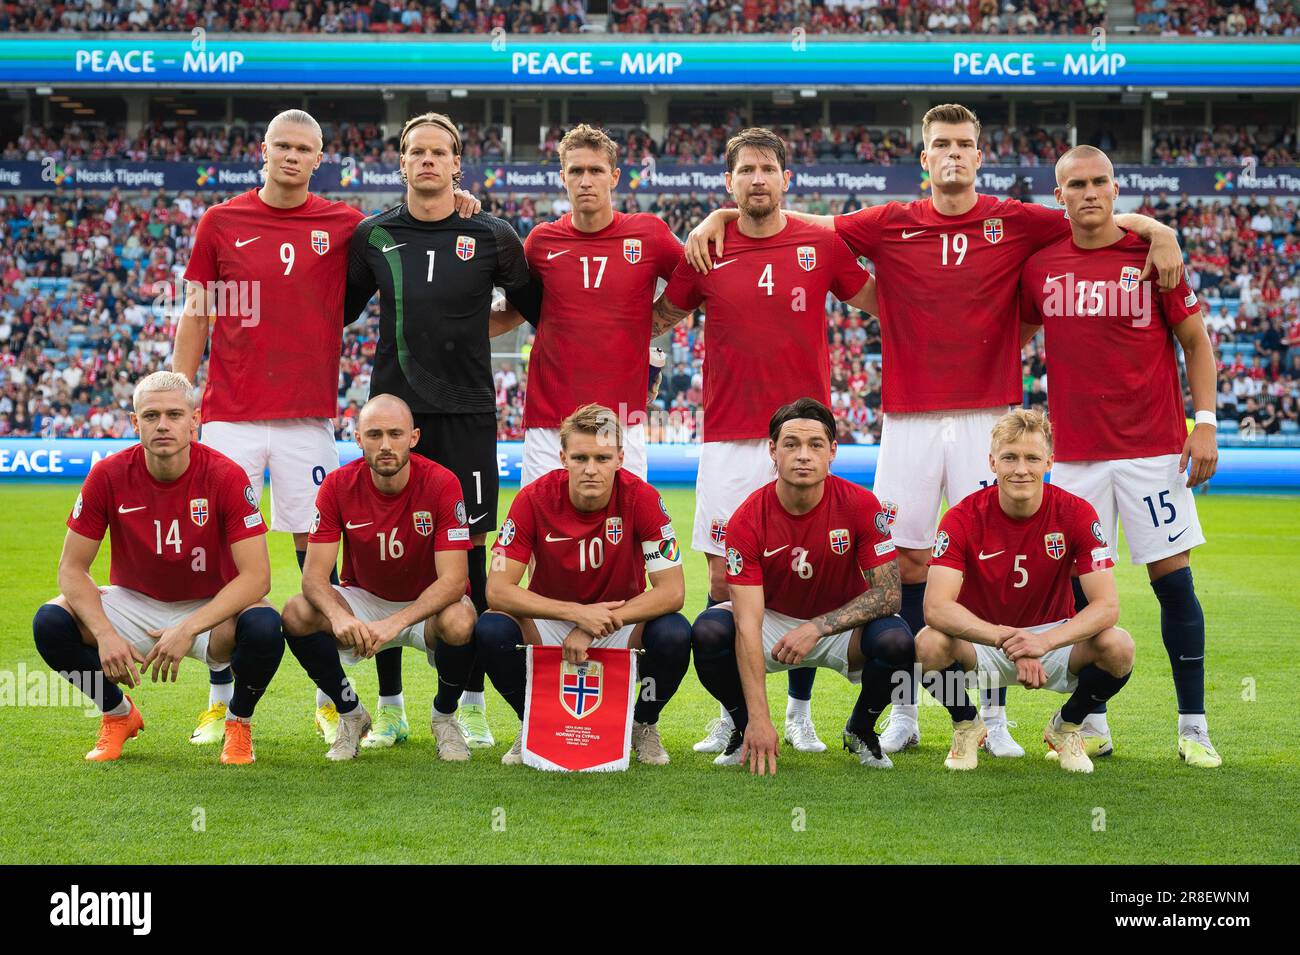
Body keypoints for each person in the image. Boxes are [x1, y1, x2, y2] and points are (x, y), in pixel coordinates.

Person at [686, 102, 1182, 758]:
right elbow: (796, 224)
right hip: (909, 418)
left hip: (987, 415)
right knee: (910, 560)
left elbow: (1090, 214)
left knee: (992, 563)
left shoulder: (1015, 219)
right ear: (924, 159)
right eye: (941, 143)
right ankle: (907, 710)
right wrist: (722, 214)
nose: (953, 153)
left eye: (964, 143)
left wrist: (1158, 230)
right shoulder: (890, 221)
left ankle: (995, 717)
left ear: (980, 156)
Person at [651, 127, 877, 755]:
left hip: (802, 438)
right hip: (727, 437)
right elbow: (661, 319)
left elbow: (879, 301)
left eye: (767, 169)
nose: (756, 179)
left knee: (805, 582)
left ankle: (799, 712)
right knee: (725, 585)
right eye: (745, 170)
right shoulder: (706, 252)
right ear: (730, 183)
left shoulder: (819, 242)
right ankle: (733, 713)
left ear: (786, 179)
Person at [344, 112, 542, 749]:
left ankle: (467, 702)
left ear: (459, 164)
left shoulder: (491, 234)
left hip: (467, 417)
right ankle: (393, 707)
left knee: (472, 557)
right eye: (416, 152)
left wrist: (474, 333)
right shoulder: (371, 236)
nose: (427, 162)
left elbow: (535, 308)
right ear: (401, 163)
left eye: (440, 153)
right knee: (383, 557)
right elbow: (340, 312)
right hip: (393, 416)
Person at [1019, 144, 1221, 767]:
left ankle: (1193, 727)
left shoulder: (1152, 255)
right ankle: (1091, 722)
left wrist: (1205, 423)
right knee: (1084, 593)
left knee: (1174, 585)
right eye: (1075, 184)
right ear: (1059, 196)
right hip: (1075, 456)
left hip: (1153, 450)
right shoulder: (1040, 264)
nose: (1088, 193)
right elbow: (1016, 335)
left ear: (1116, 188)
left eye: (1100, 182)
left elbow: (1195, 341)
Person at [173, 108, 362, 745]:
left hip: (307, 419)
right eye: (281, 145)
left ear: (318, 158)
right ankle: (219, 701)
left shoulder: (344, 224)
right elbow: (196, 314)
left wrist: (461, 199)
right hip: (231, 417)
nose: (290, 156)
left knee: (319, 562)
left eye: (303, 148)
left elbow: (410, 235)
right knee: (227, 561)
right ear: (263, 149)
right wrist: (180, 395)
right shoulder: (220, 221)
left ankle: (330, 697)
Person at [31, 372, 281, 766]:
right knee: (50, 622)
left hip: (209, 606)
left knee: (266, 626)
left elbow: (257, 577)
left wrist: (188, 628)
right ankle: (117, 714)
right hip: (133, 602)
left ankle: (238, 724)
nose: (162, 425)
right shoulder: (108, 475)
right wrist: (104, 633)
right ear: (135, 423)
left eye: (174, 415)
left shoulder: (226, 475)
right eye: (150, 416)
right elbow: (71, 569)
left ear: (194, 419)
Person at [691, 398, 914, 774]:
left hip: (838, 625)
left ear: (832, 452)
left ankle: (861, 729)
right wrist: (759, 719)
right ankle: (743, 727)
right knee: (708, 631)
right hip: (771, 621)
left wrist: (816, 628)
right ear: (773, 451)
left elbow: (889, 595)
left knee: (898, 641)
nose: (803, 455)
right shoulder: (747, 518)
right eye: (791, 444)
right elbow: (747, 623)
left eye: (815, 445)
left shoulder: (860, 504)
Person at [917, 408, 1135, 774]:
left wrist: (1044, 642)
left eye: (1032, 458)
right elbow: (936, 608)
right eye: (1010, 458)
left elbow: (1106, 606)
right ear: (992, 462)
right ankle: (968, 726)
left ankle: (1066, 726)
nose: (1021, 469)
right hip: (985, 642)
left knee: (1119, 647)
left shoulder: (1076, 513)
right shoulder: (961, 516)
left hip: (1053, 638)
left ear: (1049, 461)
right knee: (927, 644)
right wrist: (1007, 639)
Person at [476, 403, 691, 765]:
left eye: (602, 458)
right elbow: (497, 590)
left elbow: (673, 591)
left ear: (621, 458)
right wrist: (576, 614)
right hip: (551, 620)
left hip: (620, 619)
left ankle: (642, 724)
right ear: (563, 457)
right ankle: (531, 721)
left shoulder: (644, 499)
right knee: (491, 627)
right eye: (580, 458)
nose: (591, 469)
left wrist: (593, 625)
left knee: (675, 633)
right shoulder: (532, 499)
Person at [280, 394, 478, 761]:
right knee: (296, 612)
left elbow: (453, 581)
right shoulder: (338, 485)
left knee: (462, 617)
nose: (385, 445)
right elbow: (313, 579)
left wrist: (394, 623)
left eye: (395, 434)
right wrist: (340, 616)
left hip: (425, 602)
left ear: (413, 437)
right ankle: (351, 714)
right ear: (357, 439)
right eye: (374, 435)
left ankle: (445, 718)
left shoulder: (442, 483)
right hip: (365, 598)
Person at [493, 124, 683, 485]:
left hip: (622, 419)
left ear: (613, 177)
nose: (585, 180)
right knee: (544, 533)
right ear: (562, 176)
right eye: (576, 171)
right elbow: (517, 308)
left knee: (624, 534)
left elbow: (696, 283)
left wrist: (655, 322)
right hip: (551, 421)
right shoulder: (541, 241)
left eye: (595, 170)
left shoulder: (649, 234)